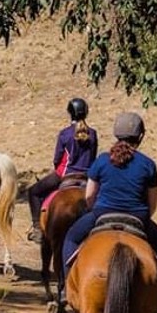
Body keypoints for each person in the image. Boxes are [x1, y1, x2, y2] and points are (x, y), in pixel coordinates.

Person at [61, 112, 157, 295]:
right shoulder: (148, 165)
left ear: (115, 134)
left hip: (102, 214)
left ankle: (66, 290)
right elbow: (152, 204)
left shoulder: (102, 160)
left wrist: (93, 210)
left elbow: (89, 196)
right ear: (141, 136)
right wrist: (141, 217)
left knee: (71, 238)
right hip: (138, 217)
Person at [26, 97, 98, 242]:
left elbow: (57, 159)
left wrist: (58, 169)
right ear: (86, 113)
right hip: (87, 177)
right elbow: (93, 156)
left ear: (70, 113)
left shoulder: (65, 134)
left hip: (65, 174)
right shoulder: (93, 133)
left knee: (33, 192)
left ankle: (37, 229)